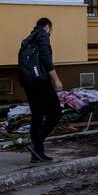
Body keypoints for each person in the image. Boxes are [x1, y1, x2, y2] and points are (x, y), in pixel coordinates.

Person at [17, 17, 64, 162]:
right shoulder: (43, 35)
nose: (50, 33)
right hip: (41, 81)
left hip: (28, 82)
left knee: (37, 115)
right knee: (55, 113)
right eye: (51, 30)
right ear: (47, 27)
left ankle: (36, 154)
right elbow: (46, 58)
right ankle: (36, 142)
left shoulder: (28, 39)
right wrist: (56, 79)